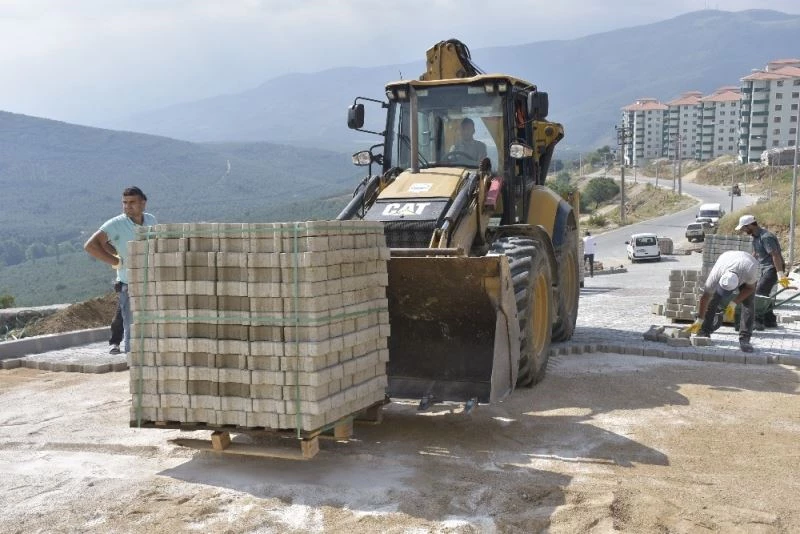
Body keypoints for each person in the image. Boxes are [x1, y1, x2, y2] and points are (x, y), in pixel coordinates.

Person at [84, 187, 156, 354]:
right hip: (129, 283)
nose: (127, 206)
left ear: (143, 203)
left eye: (132, 202)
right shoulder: (116, 224)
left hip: (150, 282)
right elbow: (91, 245)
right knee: (132, 327)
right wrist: (116, 261)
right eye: (124, 202)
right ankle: (132, 362)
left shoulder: (151, 220)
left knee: (149, 326)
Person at [687, 250, 760, 352]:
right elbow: (705, 298)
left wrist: (734, 303)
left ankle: (745, 339)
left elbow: (750, 288)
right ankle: (704, 331)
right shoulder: (716, 276)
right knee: (713, 299)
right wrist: (699, 320)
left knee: (748, 303)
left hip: (746, 261)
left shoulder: (750, 271)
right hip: (726, 259)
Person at [735, 214, 790, 329]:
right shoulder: (756, 237)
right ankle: (770, 321)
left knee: (759, 292)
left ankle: (757, 321)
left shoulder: (766, 237)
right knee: (763, 294)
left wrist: (780, 274)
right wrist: (747, 264)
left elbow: (775, 255)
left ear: (750, 225)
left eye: (744, 228)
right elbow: (756, 253)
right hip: (766, 268)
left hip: (773, 268)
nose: (743, 231)